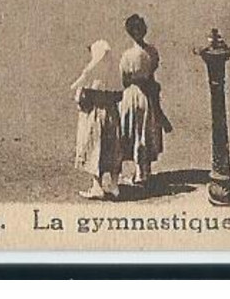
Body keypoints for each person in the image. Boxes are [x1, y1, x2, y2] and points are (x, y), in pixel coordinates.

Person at [118, 14, 172, 188]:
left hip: (132, 95)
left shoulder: (127, 55)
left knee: (135, 132)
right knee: (146, 131)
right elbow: (152, 72)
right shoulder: (152, 52)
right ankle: (144, 171)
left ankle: (139, 174)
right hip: (147, 94)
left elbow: (124, 79)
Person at [71, 39, 124, 200]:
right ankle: (114, 185)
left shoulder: (90, 76)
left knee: (95, 148)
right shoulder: (114, 74)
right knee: (112, 148)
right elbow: (119, 95)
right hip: (112, 115)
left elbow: (81, 99)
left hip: (94, 115)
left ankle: (97, 186)